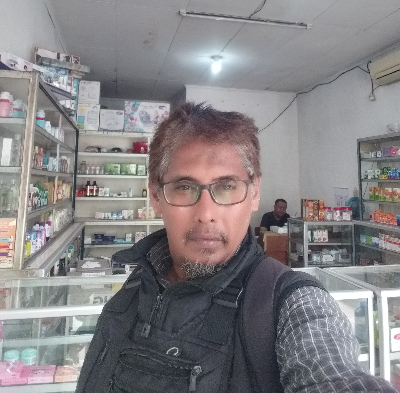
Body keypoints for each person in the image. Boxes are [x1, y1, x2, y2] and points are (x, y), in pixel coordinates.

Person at [76, 102, 397, 393]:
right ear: (156, 196)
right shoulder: (137, 281)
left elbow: (332, 374)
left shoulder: (290, 303)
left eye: (227, 186)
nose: (206, 213)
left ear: (254, 193)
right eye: (184, 186)